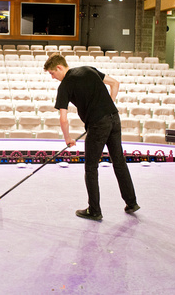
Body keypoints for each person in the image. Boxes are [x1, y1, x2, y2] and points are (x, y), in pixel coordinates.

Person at [44, 54, 139, 221]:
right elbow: (115, 83)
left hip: (98, 124)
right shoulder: (88, 69)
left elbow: (63, 118)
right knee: (119, 161)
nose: (52, 77)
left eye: (52, 73)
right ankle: (131, 202)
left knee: (91, 167)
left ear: (59, 67)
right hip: (114, 118)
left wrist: (68, 139)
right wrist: (108, 105)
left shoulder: (65, 85)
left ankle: (94, 210)